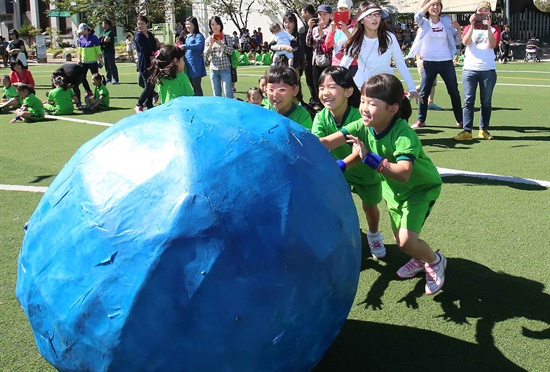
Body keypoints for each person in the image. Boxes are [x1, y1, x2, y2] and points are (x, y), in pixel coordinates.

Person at [322, 73, 446, 295]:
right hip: (393, 192)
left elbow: (403, 173)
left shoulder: (403, 134)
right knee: (402, 241)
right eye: (362, 101)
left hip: (419, 190)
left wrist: (369, 157)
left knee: (407, 241)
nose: (364, 108)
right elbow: (330, 142)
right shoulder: (363, 124)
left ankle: (435, 260)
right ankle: (419, 258)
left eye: (372, 103)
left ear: (393, 108)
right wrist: (297, 142)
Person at [313, 66, 387, 258]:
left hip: (363, 173)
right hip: (338, 175)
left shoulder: (359, 117)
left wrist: (341, 166)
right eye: (321, 87)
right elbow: (319, 144)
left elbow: (358, 153)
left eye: (332, 87)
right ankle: (343, 236)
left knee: (370, 207)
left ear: (348, 91)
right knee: (337, 206)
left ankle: (374, 234)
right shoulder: (321, 117)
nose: (325, 92)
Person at [340, 2, 419, 103]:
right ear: (362, 20)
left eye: (377, 14)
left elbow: (400, 63)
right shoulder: (356, 39)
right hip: (362, 88)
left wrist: (412, 88)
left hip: (385, 87)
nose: (375, 18)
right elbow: (344, 65)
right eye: (370, 15)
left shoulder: (389, 37)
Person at [407, 0, 463, 129]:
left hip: (446, 62)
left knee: (454, 92)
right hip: (429, 62)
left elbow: (456, 38)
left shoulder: (446, 21)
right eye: (432, 5)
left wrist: (458, 28)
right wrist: (430, 2)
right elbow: (417, 16)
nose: (435, 7)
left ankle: (460, 120)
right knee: (424, 93)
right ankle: (421, 120)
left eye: (438, 5)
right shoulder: (424, 22)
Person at [454, 1, 500, 141]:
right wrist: (473, 25)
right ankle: (467, 131)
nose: (483, 14)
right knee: (468, 101)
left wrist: (487, 27)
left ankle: (483, 129)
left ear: (490, 14)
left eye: (486, 11)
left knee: (486, 102)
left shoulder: (494, 29)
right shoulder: (468, 27)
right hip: (470, 69)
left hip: (488, 69)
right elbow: (465, 42)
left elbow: (493, 44)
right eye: (480, 12)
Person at [265, 65, 313, 130]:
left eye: (282, 89)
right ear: (265, 90)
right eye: (271, 89)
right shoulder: (263, 112)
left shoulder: (302, 116)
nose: (275, 95)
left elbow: (304, 138)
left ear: (295, 90)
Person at [306, 4, 334, 111]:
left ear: (329, 15)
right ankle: (319, 102)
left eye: (324, 14)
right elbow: (309, 43)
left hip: (327, 60)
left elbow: (328, 44)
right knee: (316, 82)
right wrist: (310, 28)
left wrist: (322, 30)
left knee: (327, 82)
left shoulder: (331, 28)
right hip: (316, 60)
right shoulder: (315, 29)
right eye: (320, 14)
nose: (322, 17)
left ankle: (328, 102)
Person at [204, 16, 234, 99]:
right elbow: (205, 56)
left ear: (220, 25)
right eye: (212, 24)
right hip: (214, 69)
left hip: (225, 68)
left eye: (217, 24)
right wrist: (210, 45)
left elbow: (231, 52)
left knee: (228, 92)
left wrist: (221, 44)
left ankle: (230, 109)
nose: (215, 26)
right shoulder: (208, 39)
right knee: (216, 93)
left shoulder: (227, 37)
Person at [134, 15, 158, 113]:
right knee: (148, 84)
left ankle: (149, 105)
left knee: (151, 84)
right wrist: (153, 53)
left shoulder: (150, 34)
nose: (140, 26)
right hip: (144, 63)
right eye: (139, 24)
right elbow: (144, 49)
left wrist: (157, 46)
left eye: (142, 24)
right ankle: (139, 104)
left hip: (152, 63)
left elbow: (154, 46)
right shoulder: (138, 35)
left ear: (147, 24)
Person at [325, 0, 356, 73]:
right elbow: (328, 45)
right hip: (337, 62)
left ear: (351, 10)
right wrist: (332, 32)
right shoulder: (333, 25)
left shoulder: (356, 26)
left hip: (353, 63)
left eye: (346, 9)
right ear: (337, 10)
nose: (343, 11)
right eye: (341, 9)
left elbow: (357, 43)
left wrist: (346, 31)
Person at [76, 23, 103, 98]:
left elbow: (98, 50)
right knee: (82, 77)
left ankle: (99, 91)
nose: (81, 33)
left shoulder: (94, 38)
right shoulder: (81, 39)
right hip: (84, 62)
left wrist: (99, 60)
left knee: (96, 78)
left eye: (82, 31)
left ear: (86, 29)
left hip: (93, 62)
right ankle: (88, 91)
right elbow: (79, 50)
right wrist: (79, 59)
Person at [183, 16, 207, 96]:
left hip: (195, 65)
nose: (187, 26)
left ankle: (199, 102)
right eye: (186, 24)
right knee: (192, 86)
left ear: (195, 25)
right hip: (188, 64)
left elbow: (199, 45)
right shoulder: (188, 36)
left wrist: (185, 46)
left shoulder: (198, 36)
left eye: (189, 24)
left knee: (197, 86)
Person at [301, 4, 317, 106]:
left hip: (312, 56)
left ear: (307, 12)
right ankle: (314, 98)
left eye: (302, 12)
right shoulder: (309, 23)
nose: (301, 14)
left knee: (312, 79)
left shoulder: (312, 24)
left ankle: (316, 99)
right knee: (311, 79)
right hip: (311, 56)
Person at [99, 20, 120, 84]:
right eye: (102, 24)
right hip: (104, 51)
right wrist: (102, 39)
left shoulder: (110, 32)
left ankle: (115, 79)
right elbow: (99, 40)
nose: (102, 25)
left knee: (112, 65)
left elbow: (106, 40)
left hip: (110, 51)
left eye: (104, 24)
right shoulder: (103, 32)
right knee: (107, 65)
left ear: (107, 25)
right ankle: (108, 78)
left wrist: (102, 40)